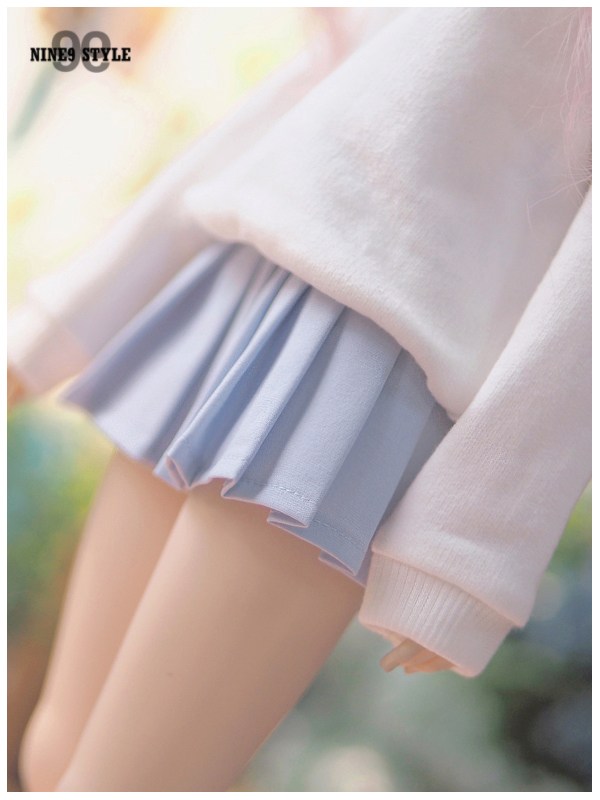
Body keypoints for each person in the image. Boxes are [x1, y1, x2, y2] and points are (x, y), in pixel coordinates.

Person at [8, 7, 591, 792]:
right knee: (54, 753)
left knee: (124, 782)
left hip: (368, 357)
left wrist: (475, 553)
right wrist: (66, 313)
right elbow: (311, 90)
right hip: (236, 274)